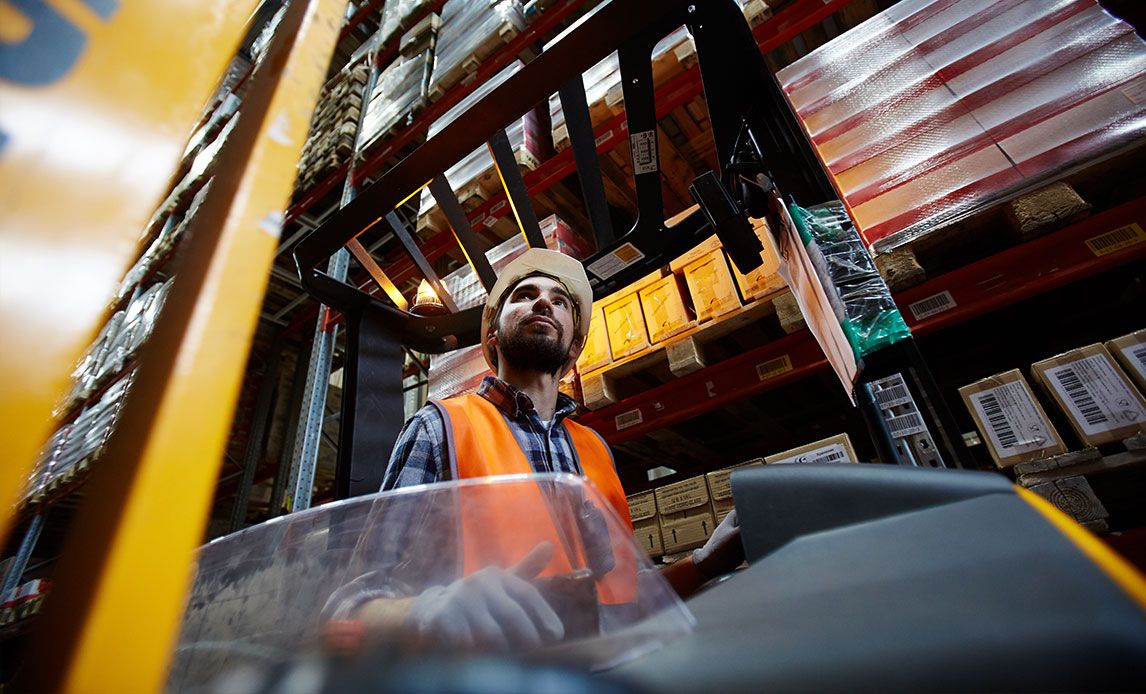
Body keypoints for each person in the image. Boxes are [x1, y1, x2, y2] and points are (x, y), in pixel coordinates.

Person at [328, 248, 743, 650]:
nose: (543, 302)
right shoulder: (440, 428)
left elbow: (626, 602)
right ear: (492, 333)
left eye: (559, 301)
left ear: (575, 349)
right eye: (524, 296)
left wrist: (704, 562)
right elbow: (349, 609)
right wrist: (424, 613)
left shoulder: (594, 448)